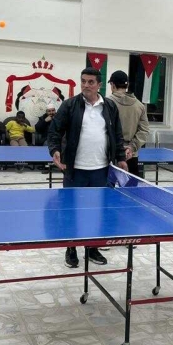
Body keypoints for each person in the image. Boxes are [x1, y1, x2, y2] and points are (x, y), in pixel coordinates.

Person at [48, 68, 128, 268]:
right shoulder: (69, 105)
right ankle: (71, 248)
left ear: (99, 85)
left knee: (97, 211)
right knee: (71, 211)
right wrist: (54, 150)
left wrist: (120, 157)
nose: (86, 85)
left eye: (91, 82)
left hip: (101, 169)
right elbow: (55, 130)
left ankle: (92, 248)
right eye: (83, 81)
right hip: (75, 169)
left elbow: (117, 134)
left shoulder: (109, 106)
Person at [106, 70, 149, 178]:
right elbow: (144, 131)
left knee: (108, 188)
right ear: (127, 85)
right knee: (130, 188)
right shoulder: (140, 106)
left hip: (110, 155)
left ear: (112, 84)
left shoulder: (106, 103)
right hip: (131, 155)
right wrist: (131, 148)